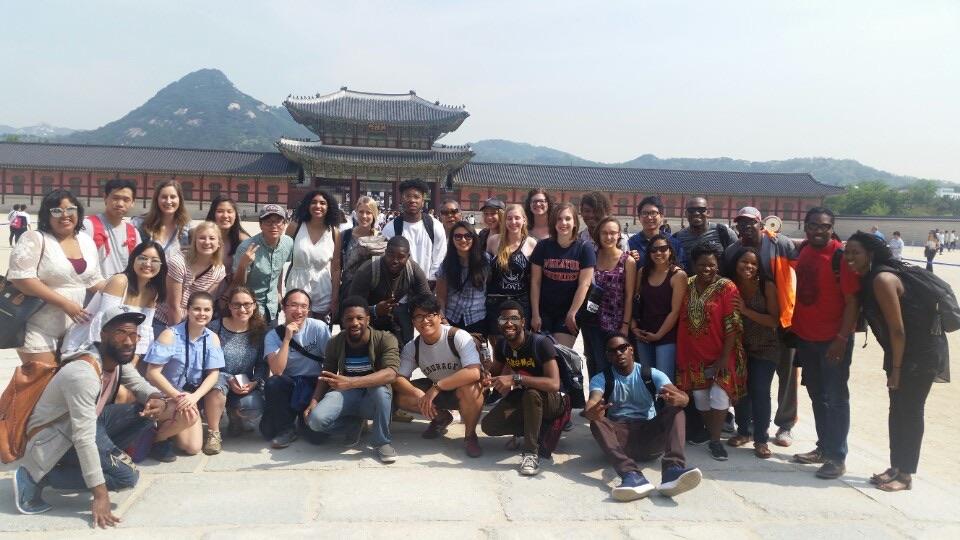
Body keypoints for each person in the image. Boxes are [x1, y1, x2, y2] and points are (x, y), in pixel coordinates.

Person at [13, 307, 174, 525]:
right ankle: (36, 476)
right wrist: (100, 494)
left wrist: (156, 398)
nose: (128, 342)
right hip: (55, 438)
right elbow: (83, 437)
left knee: (145, 413)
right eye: (121, 333)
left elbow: (138, 384)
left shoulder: (113, 360)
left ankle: (93, 462)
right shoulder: (83, 374)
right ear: (103, 334)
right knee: (126, 478)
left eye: (133, 334)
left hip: (86, 424)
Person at [844, 232, 947, 491]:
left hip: (919, 354)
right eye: (847, 252)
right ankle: (896, 467)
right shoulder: (870, 278)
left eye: (855, 253)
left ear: (870, 254)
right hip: (901, 353)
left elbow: (897, 329)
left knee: (910, 410)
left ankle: (905, 475)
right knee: (897, 409)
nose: (849, 258)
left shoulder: (883, 279)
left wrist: (897, 369)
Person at [585, 334, 702, 501]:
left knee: (677, 411)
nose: (619, 353)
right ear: (608, 356)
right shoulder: (601, 378)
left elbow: (680, 395)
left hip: (649, 437)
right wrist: (592, 412)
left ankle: (672, 471)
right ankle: (631, 476)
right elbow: (592, 402)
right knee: (596, 421)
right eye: (613, 351)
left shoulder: (650, 374)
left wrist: (681, 399)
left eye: (622, 348)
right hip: (620, 440)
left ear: (631, 349)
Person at [790, 207, 860, 480]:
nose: (819, 230)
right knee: (817, 395)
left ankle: (837, 457)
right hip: (807, 338)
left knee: (836, 398)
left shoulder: (841, 257)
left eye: (825, 226)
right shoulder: (804, 250)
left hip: (833, 340)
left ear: (832, 228)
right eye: (814, 225)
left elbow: (852, 302)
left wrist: (842, 339)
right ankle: (823, 447)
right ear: (805, 226)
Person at [721, 206, 799, 447]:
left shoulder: (781, 244)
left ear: (761, 224)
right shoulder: (733, 250)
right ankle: (749, 427)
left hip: (785, 319)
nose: (745, 227)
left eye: (750, 223)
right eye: (741, 223)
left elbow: (800, 273)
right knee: (748, 383)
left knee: (787, 376)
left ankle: (785, 425)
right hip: (748, 330)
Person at [8, 190, 105, 367]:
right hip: (38, 327)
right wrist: (65, 304)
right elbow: (21, 279)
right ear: (47, 215)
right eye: (57, 211)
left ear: (78, 212)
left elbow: (93, 280)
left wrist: (122, 289)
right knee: (41, 380)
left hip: (76, 330)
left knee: (70, 380)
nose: (65, 215)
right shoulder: (34, 238)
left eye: (70, 209)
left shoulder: (86, 241)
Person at [303, 296, 400, 463]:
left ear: (368, 319)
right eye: (349, 319)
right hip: (346, 394)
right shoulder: (335, 342)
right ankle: (353, 425)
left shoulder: (385, 338)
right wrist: (314, 400)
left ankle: (382, 441)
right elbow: (326, 373)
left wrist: (351, 382)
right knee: (315, 421)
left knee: (381, 391)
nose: (354, 323)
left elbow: (390, 373)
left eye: (360, 318)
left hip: (372, 398)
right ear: (343, 321)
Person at [675, 242, 747, 461]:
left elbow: (732, 324)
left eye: (711, 265)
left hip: (723, 353)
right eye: (701, 264)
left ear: (718, 265)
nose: (707, 269)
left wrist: (724, 358)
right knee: (700, 397)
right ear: (694, 265)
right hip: (694, 354)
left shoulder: (727, 287)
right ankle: (710, 432)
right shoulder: (687, 284)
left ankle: (716, 441)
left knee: (720, 395)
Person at [393, 293, 485, 458]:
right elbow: (399, 379)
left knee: (471, 388)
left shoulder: (457, 336)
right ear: (413, 321)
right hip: (437, 391)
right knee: (401, 396)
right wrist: (418, 393)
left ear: (439, 316)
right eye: (419, 317)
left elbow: (474, 372)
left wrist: (437, 387)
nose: (425, 321)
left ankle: (470, 435)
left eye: (430, 315)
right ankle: (441, 418)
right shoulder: (412, 347)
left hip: (461, 390)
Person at [481, 300, 565, 475]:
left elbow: (554, 384)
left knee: (532, 394)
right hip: (524, 395)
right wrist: (484, 375)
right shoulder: (503, 345)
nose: (508, 323)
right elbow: (494, 371)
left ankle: (531, 453)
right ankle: (535, 431)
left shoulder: (541, 343)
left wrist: (515, 379)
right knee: (489, 426)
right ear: (499, 323)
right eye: (504, 319)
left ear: (523, 322)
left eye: (514, 319)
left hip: (553, 400)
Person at [143, 291, 225, 459]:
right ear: (188, 310)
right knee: (187, 415)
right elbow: (152, 373)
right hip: (165, 397)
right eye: (197, 309)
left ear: (212, 312)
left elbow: (213, 374)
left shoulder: (212, 338)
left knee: (193, 448)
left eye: (207, 310)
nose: (202, 314)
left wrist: (195, 396)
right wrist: (178, 396)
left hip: (190, 399)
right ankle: (158, 441)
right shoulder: (170, 335)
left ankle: (162, 432)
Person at [61, 241, 166, 361]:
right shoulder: (120, 281)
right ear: (133, 260)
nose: (148, 264)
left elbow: (143, 332)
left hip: (120, 349)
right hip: (88, 346)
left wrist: (132, 362)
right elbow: (103, 327)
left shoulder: (152, 292)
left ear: (161, 265)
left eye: (154, 260)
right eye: (143, 258)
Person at [725, 247, 781, 459]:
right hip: (739, 348)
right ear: (736, 263)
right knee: (741, 390)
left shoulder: (767, 286)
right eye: (744, 262)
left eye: (753, 263)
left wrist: (746, 311)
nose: (748, 266)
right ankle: (743, 431)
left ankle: (761, 439)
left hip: (766, 346)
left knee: (760, 390)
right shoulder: (730, 285)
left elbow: (774, 320)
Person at [260, 289, 332, 449]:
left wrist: (316, 399)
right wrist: (287, 339)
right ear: (284, 307)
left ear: (309, 309)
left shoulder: (319, 328)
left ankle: (303, 420)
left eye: (304, 306)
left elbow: (331, 363)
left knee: (317, 438)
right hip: (289, 385)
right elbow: (277, 371)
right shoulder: (273, 336)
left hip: (314, 384)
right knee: (273, 383)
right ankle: (286, 428)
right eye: (293, 305)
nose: (299, 311)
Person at [204, 287, 268, 453]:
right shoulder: (215, 327)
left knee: (254, 407)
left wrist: (255, 382)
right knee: (216, 388)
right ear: (229, 306)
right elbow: (205, 362)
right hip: (217, 377)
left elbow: (262, 364)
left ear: (254, 305)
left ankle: (235, 416)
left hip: (243, 382)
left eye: (247, 304)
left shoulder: (259, 330)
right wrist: (227, 377)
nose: (242, 309)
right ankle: (214, 433)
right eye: (236, 305)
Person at [530, 202, 596, 348]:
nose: (563, 223)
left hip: (568, 311)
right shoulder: (542, 246)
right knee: (542, 353)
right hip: (544, 310)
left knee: (561, 354)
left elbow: (584, 284)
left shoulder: (584, 248)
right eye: (559, 219)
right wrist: (535, 314)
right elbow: (535, 282)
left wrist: (572, 313)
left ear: (575, 222)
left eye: (567, 218)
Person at [348, 235, 431, 344]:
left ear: (408, 257)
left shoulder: (412, 269)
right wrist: (375, 310)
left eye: (401, 257)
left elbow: (427, 299)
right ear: (385, 252)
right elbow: (350, 308)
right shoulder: (368, 270)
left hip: (397, 316)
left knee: (405, 323)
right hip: (369, 319)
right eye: (391, 255)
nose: (395, 260)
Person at [583, 217, 636, 378]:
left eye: (613, 233)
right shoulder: (591, 256)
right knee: (593, 362)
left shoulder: (627, 260)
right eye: (604, 233)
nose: (608, 237)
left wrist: (625, 325)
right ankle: (596, 393)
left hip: (615, 322)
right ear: (598, 235)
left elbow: (629, 296)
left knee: (612, 366)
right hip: (591, 320)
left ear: (619, 235)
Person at [153, 221, 225, 337]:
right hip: (164, 320)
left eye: (212, 238)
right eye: (202, 238)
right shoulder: (178, 262)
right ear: (194, 241)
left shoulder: (219, 270)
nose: (207, 242)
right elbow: (173, 306)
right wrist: (177, 336)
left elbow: (204, 302)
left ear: (219, 243)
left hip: (192, 323)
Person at [631, 234, 687, 381]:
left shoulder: (678, 275)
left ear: (670, 251)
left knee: (664, 381)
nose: (658, 253)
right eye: (654, 250)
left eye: (663, 249)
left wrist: (658, 335)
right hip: (643, 333)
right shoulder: (643, 272)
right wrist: (633, 327)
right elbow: (635, 301)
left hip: (666, 335)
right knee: (647, 379)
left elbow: (675, 311)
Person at [285, 190, 344, 320]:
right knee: (295, 328)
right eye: (314, 202)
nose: (318, 206)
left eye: (322, 203)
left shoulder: (334, 233)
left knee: (319, 329)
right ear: (307, 205)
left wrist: (335, 298)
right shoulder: (295, 227)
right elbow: (280, 258)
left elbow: (336, 268)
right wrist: (278, 291)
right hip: (297, 286)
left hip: (323, 289)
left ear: (329, 207)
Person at [233, 204, 294, 322]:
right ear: (260, 225)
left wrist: (279, 292)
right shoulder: (247, 248)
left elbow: (279, 267)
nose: (274, 225)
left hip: (272, 306)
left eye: (278, 221)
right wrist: (243, 265)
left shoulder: (288, 243)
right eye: (268, 221)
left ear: (284, 224)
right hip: (250, 308)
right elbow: (237, 285)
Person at [485, 204, 537, 333]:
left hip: (520, 301)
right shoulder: (493, 241)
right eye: (509, 218)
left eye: (517, 218)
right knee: (498, 343)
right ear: (504, 221)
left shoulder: (531, 243)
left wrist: (536, 313)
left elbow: (535, 281)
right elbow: (486, 273)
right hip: (496, 301)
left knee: (520, 341)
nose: (513, 222)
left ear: (524, 220)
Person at [382, 178, 446, 282]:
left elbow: (439, 257)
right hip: (399, 285)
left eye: (416, 197)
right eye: (408, 196)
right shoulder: (390, 228)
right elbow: (386, 259)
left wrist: (431, 282)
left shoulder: (435, 226)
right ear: (402, 200)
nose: (412, 200)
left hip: (429, 284)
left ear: (423, 201)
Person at [436, 221, 489, 336]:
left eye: (467, 236)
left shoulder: (485, 260)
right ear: (452, 239)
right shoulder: (446, 264)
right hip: (452, 318)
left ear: (474, 238)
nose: (463, 240)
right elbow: (440, 297)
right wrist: (443, 320)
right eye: (458, 236)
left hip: (477, 318)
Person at [83, 179, 142, 280]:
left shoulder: (133, 232)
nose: (120, 204)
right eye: (115, 198)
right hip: (94, 288)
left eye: (126, 200)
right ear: (105, 198)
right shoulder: (88, 225)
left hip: (123, 288)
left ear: (133, 203)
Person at [339, 196, 386, 307]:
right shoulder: (345, 236)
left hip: (373, 293)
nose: (364, 216)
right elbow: (337, 267)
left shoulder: (381, 238)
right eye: (361, 212)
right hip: (348, 291)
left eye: (368, 212)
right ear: (356, 213)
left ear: (374, 215)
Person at [673, 196, 737, 272]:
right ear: (686, 213)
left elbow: (737, 258)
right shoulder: (677, 237)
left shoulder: (724, 232)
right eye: (691, 210)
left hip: (719, 279)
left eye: (701, 210)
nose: (696, 213)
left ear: (708, 212)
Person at [132, 180, 191, 258]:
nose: (168, 201)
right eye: (164, 197)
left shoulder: (185, 227)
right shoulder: (140, 224)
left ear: (179, 199)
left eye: (173, 197)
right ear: (157, 199)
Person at [205, 197, 250, 295]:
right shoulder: (202, 238)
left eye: (230, 211)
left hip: (230, 294)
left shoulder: (243, 241)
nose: (225, 216)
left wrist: (225, 298)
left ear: (236, 215)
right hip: (202, 293)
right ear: (213, 214)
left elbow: (244, 277)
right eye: (220, 211)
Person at [627, 195, 683, 265]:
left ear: (661, 217)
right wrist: (628, 260)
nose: (649, 217)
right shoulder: (631, 243)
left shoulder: (673, 243)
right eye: (644, 213)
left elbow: (681, 266)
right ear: (639, 217)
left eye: (653, 213)